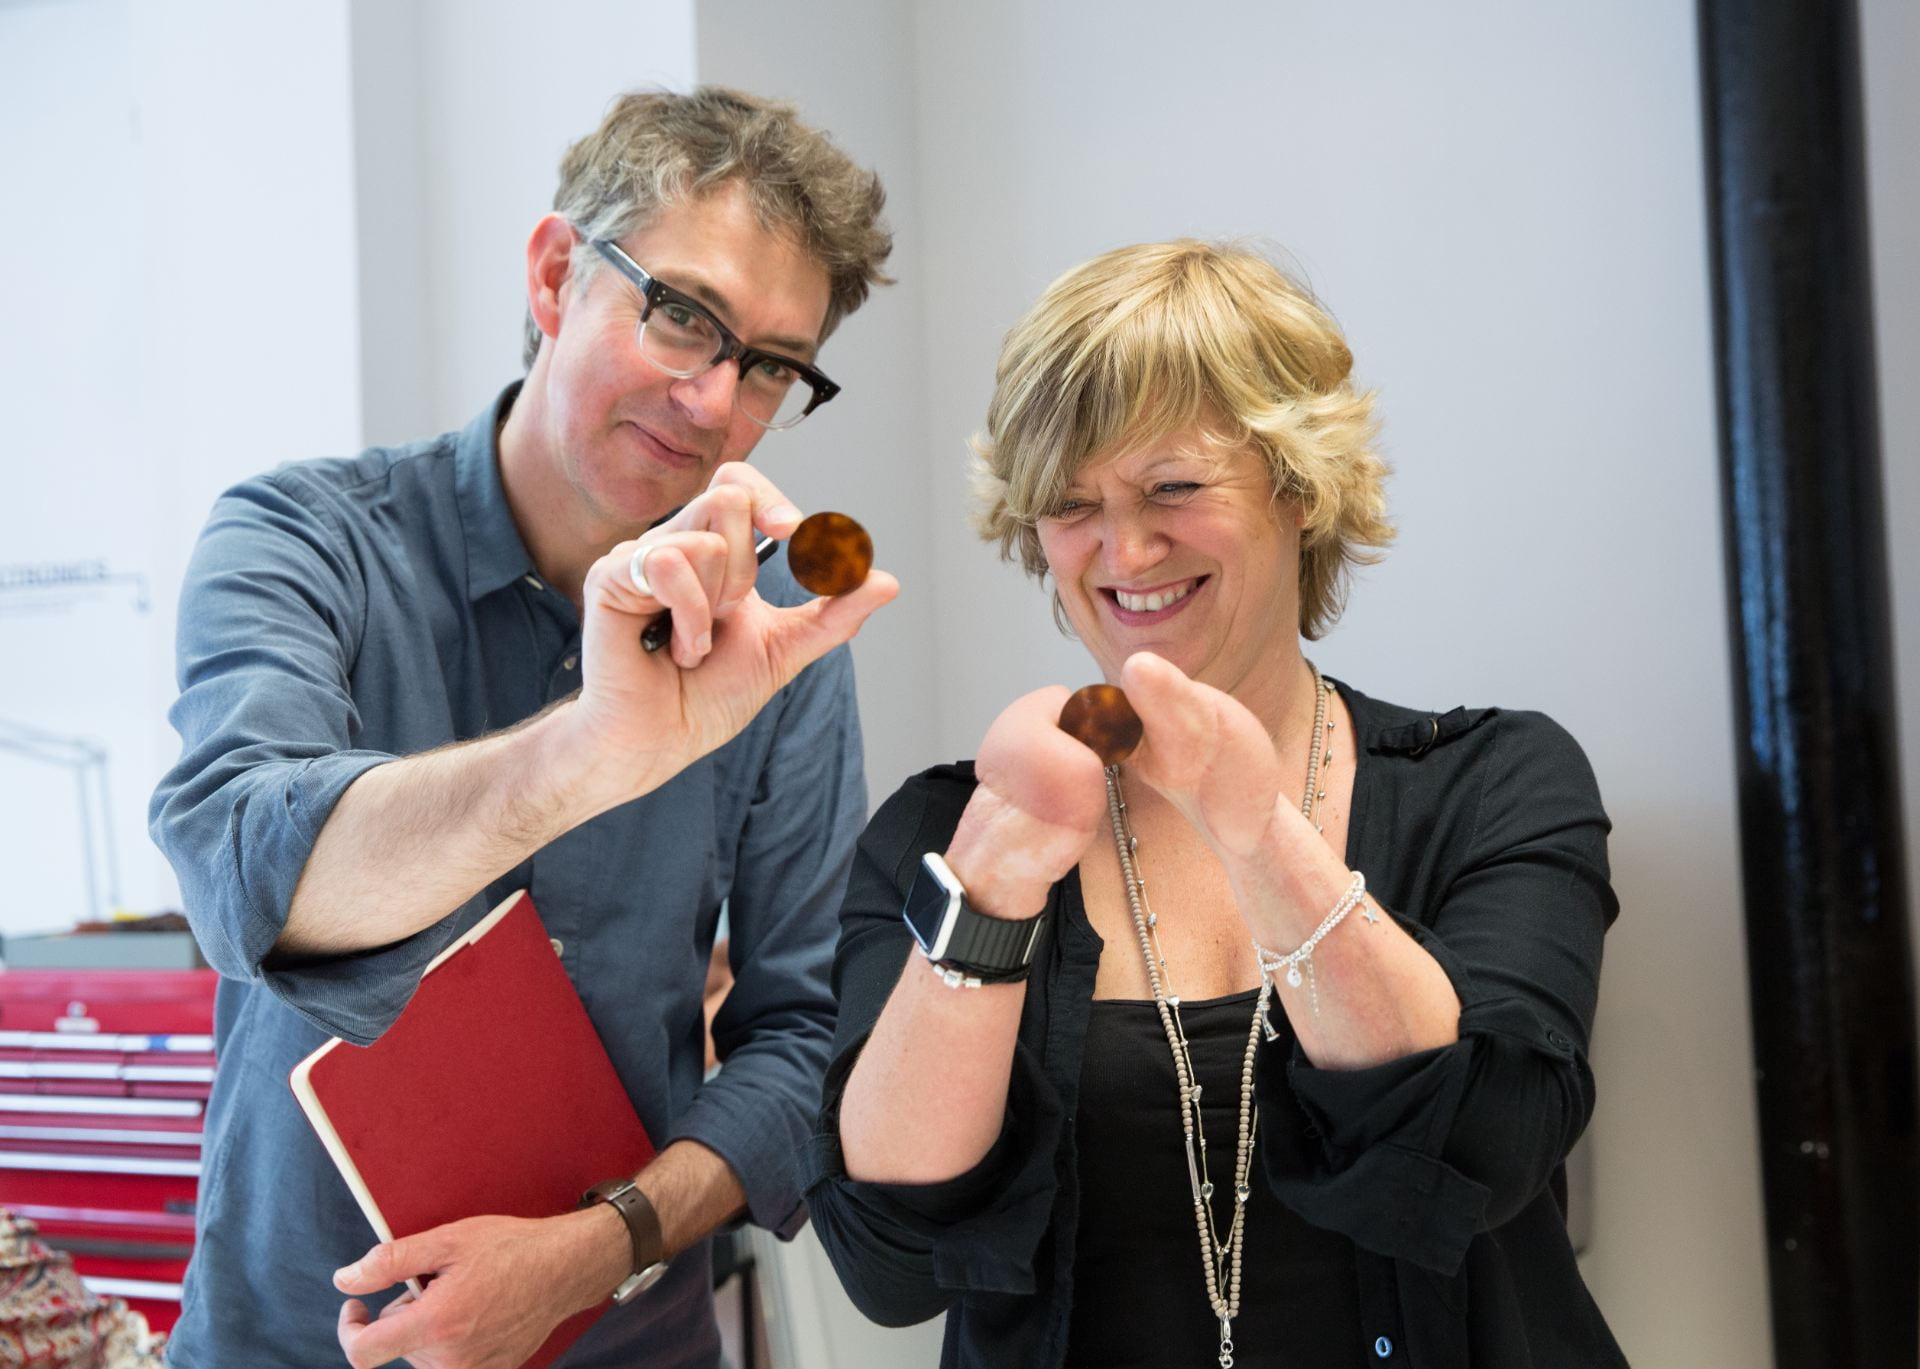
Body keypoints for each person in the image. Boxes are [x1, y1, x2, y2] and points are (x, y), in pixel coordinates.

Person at [148, 87, 896, 1368]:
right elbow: (243, 878)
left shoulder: (772, 633)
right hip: (288, 1339)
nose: (715, 400)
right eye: (683, 314)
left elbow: (805, 1034)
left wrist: (594, 1251)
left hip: (624, 1339)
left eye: (772, 364)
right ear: (555, 277)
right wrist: (589, 750)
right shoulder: (304, 539)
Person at [805, 240, 1628, 1367]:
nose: (1124, 548)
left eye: (1174, 488)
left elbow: (1481, 1154)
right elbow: (889, 1263)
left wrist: (1259, 833)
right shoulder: (944, 832)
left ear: (1301, 487)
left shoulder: (1501, 781)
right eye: (1072, 502)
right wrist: (990, 885)